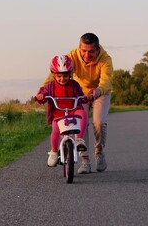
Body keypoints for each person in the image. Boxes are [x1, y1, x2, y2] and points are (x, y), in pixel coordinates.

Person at [41, 33, 113, 174]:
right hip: (79, 93)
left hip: (100, 92)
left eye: (91, 51)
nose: (86, 55)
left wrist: (98, 91)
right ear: (79, 48)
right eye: (83, 51)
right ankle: (85, 160)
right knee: (79, 122)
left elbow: (106, 80)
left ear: (97, 49)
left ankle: (99, 151)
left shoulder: (105, 59)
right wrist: (43, 91)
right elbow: (54, 74)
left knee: (99, 122)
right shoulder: (72, 55)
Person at [35, 55, 89, 167]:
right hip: (58, 114)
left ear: (70, 74)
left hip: (74, 111)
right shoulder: (50, 86)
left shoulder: (74, 84)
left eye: (65, 76)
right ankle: (54, 151)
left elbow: (81, 95)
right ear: (53, 75)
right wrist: (41, 97)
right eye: (59, 76)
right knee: (55, 130)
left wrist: (86, 97)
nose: (62, 79)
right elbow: (44, 94)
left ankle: (79, 140)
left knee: (83, 113)